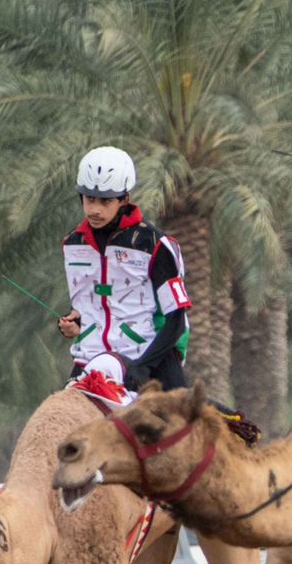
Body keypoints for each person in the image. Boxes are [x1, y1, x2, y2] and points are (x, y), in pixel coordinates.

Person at [57, 146, 192, 390]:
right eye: (89, 199)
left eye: (106, 201)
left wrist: (143, 366)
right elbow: (91, 303)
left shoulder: (155, 245)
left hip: (147, 359)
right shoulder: (72, 244)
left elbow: (176, 319)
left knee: (182, 422)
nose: (94, 209)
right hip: (89, 359)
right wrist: (74, 321)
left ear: (124, 199)